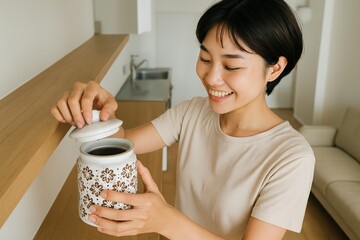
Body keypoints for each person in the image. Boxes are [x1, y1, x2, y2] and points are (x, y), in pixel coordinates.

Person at [51, 0, 315, 239]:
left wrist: (165, 221)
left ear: (275, 68)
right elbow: (122, 141)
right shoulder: (192, 113)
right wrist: (95, 111)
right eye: (205, 58)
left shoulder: (291, 157)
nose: (211, 77)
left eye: (232, 66)